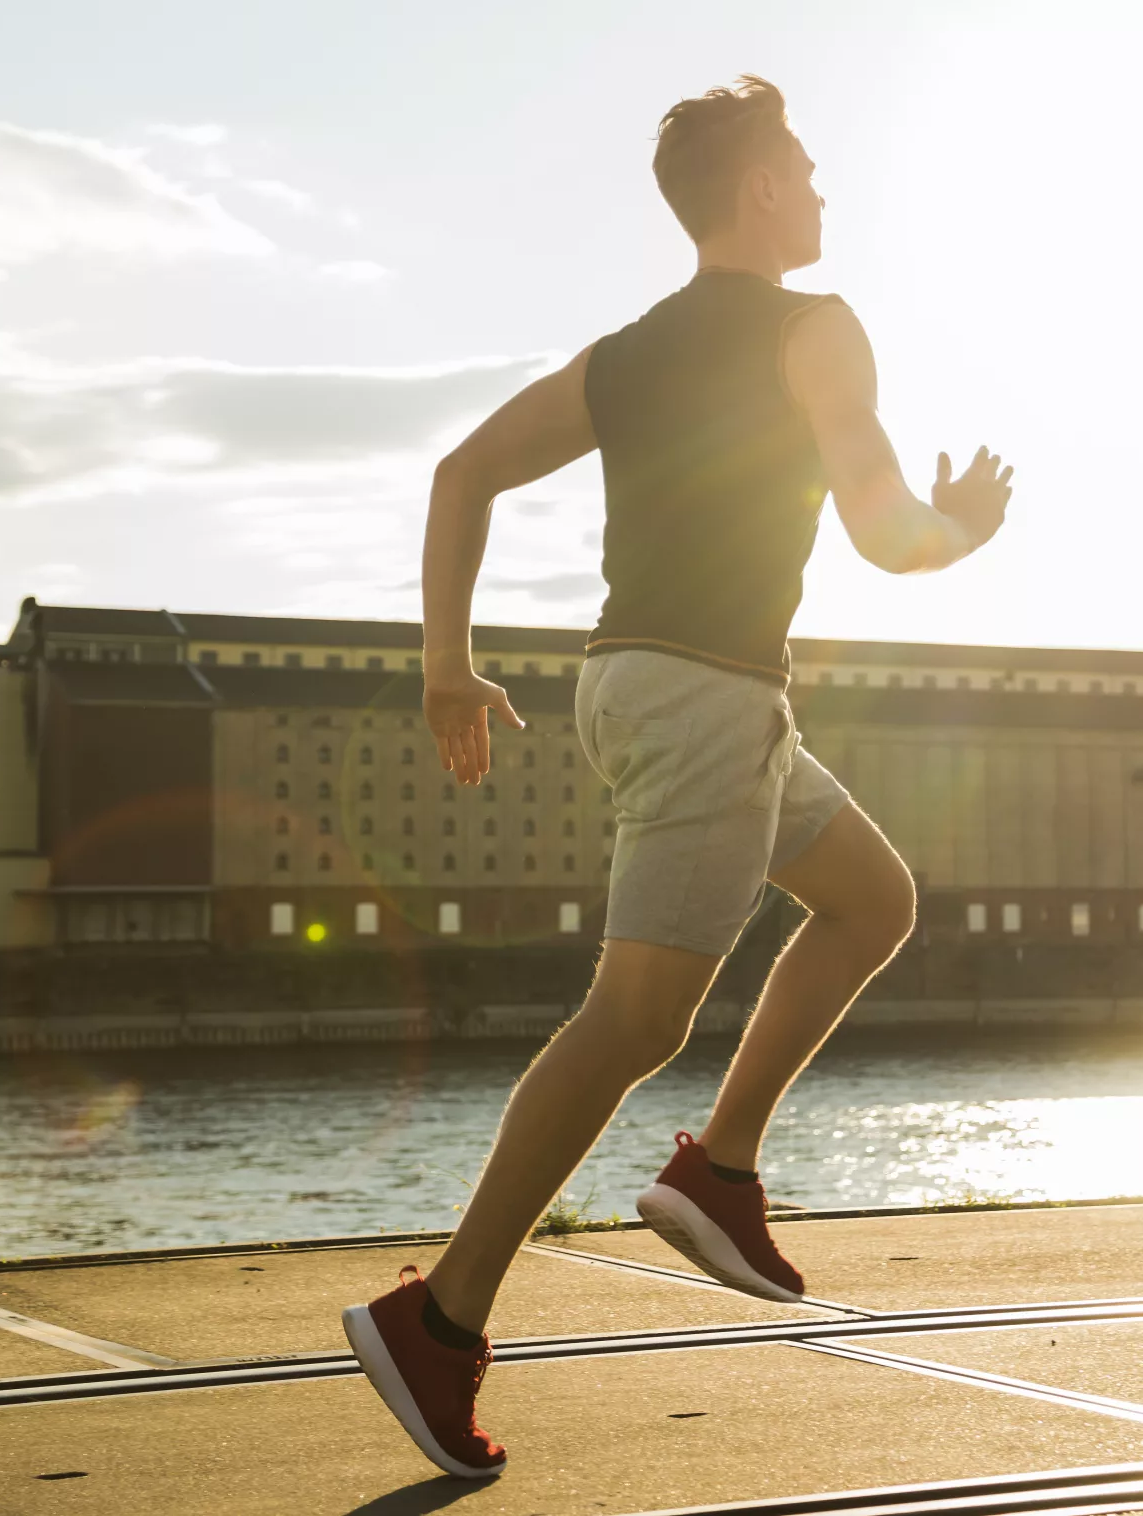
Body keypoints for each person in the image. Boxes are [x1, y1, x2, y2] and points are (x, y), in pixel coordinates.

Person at [343, 75, 1014, 1478]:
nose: (828, 191)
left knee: (871, 899)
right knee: (633, 1020)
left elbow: (462, 474)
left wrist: (446, 670)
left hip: (659, 690)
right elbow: (888, 535)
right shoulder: (817, 329)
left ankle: (720, 1166)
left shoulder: (629, 353)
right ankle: (443, 1319)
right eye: (811, 171)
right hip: (706, 696)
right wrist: (964, 526)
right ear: (760, 191)